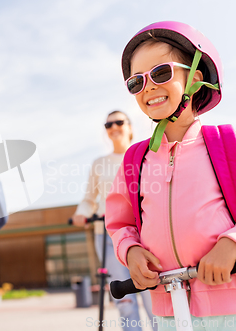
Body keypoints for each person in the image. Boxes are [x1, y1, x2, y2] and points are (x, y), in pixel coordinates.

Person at [105, 21, 236, 331]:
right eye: (136, 82)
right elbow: (120, 223)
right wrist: (131, 250)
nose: (149, 86)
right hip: (168, 313)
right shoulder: (135, 159)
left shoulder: (234, 145)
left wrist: (235, 242)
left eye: (161, 73)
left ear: (194, 78)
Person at [72, 110, 156, 331]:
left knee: (153, 297)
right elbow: (89, 199)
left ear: (129, 126)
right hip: (108, 238)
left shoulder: (145, 154)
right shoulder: (99, 163)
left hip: (144, 236)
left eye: (119, 122)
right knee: (125, 299)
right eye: (108, 125)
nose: (114, 127)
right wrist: (81, 213)